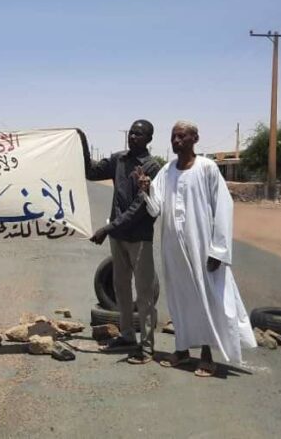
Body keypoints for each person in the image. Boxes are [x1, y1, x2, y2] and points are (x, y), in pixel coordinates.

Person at [137, 121, 256, 377]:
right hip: (173, 248)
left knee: (205, 298)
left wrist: (219, 250)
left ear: (195, 139)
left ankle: (206, 354)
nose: (176, 141)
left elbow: (224, 209)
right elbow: (155, 208)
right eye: (173, 137)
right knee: (179, 298)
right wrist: (146, 189)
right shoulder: (167, 171)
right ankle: (181, 349)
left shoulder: (208, 168)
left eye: (182, 136)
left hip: (203, 247)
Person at [83, 120, 161, 365]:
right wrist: (82, 142)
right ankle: (127, 335)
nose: (133, 137)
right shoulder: (119, 160)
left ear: (149, 139)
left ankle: (147, 346)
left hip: (139, 238)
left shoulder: (152, 166)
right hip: (118, 238)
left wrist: (107, 228)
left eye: (139, 134)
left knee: (145, 294)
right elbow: (91, 172)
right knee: (121, 289)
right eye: (132, 133)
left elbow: (140, 208)